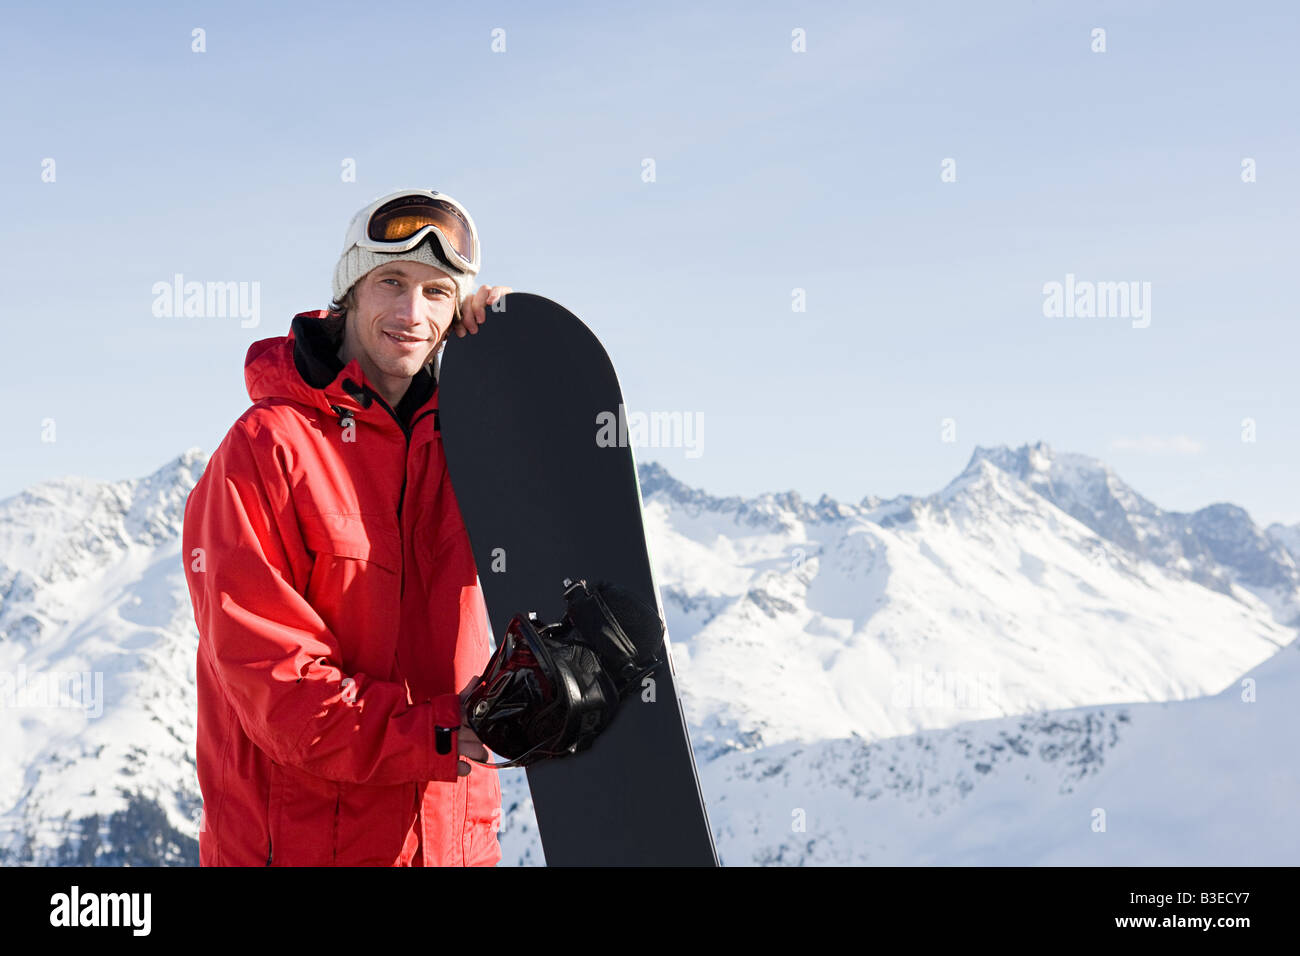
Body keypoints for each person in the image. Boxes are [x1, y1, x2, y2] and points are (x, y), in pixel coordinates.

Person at [182, 188, 512, 866]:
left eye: (438, 294)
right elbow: (279, 689)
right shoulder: (266, 449)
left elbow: (553, 528)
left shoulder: (468, 451)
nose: (410, 313)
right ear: (350, 292)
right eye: (391, 282)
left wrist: (509, 350)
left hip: (448, 846)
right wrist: (436, 734)